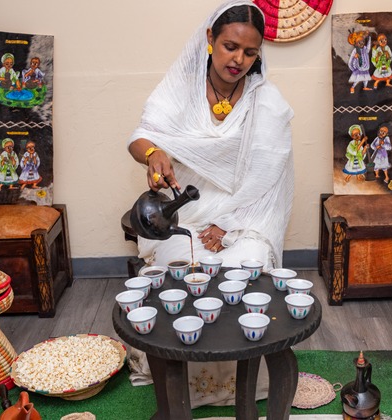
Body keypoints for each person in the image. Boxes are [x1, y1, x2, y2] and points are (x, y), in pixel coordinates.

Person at [125, 0, 294, 408]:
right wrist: (153, 154)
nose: (238, 60)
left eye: (250, 52)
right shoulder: (182, 86)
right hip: (187, 213)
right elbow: (140, 136)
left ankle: (243, 383)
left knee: (247, 266)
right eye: (230, 47)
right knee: (179, 268)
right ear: (210, 39)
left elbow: (268, 176)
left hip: (245, 217)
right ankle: (181, 381)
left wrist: (228, 224)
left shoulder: (266, 101)